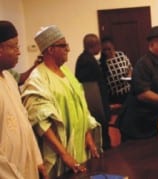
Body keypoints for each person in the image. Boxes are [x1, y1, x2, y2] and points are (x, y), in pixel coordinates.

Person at [21, 25, 101, 178]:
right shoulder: (37, 79)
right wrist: (64, 155)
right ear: (50, 50)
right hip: (59, 154)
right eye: (64, 46)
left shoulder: (66, 72)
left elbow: (81, 106)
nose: (68, 49)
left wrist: (88, 135)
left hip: (80, 148)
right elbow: (41, 123)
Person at [0, 20, 47, 179]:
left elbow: (24, 123)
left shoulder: (9, 78)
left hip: (26, 167)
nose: (18, 52)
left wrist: (37, 159)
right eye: (14, 46)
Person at [117, 26, 158, 141]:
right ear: (151, 45)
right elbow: (143, 94)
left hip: (150, 123)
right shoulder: (143, 64)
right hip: (135, 125)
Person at [75, 33, 111, 150]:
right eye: (99, 45)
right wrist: (102, 111)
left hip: (97, 100)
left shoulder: (87, 59)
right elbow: (91, 88)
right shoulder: (86, 61)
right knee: (102, 131)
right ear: (93, 46)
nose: (100, 48)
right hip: (96, 103)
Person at [101, 37, 132, 105]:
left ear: (113, 46)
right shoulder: (101, 62)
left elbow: (129, 67)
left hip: (127, 91)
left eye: (109, 49)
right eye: (104, 50)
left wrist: (129, 75)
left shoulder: (120, 55)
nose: (107, 52)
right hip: (114, 96)